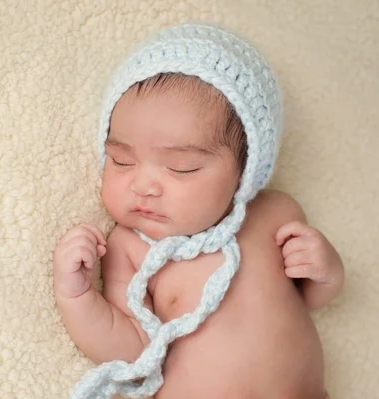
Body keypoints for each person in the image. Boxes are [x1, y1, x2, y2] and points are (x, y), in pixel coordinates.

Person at [54, 23, 344, 399]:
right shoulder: (129, 247)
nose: (143, 186)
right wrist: (76, 297)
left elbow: (307, 302)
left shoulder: (275, 213)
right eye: (121, 161)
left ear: (246, 171)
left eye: (182, 168)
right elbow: (131, 348)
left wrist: (326, 271)